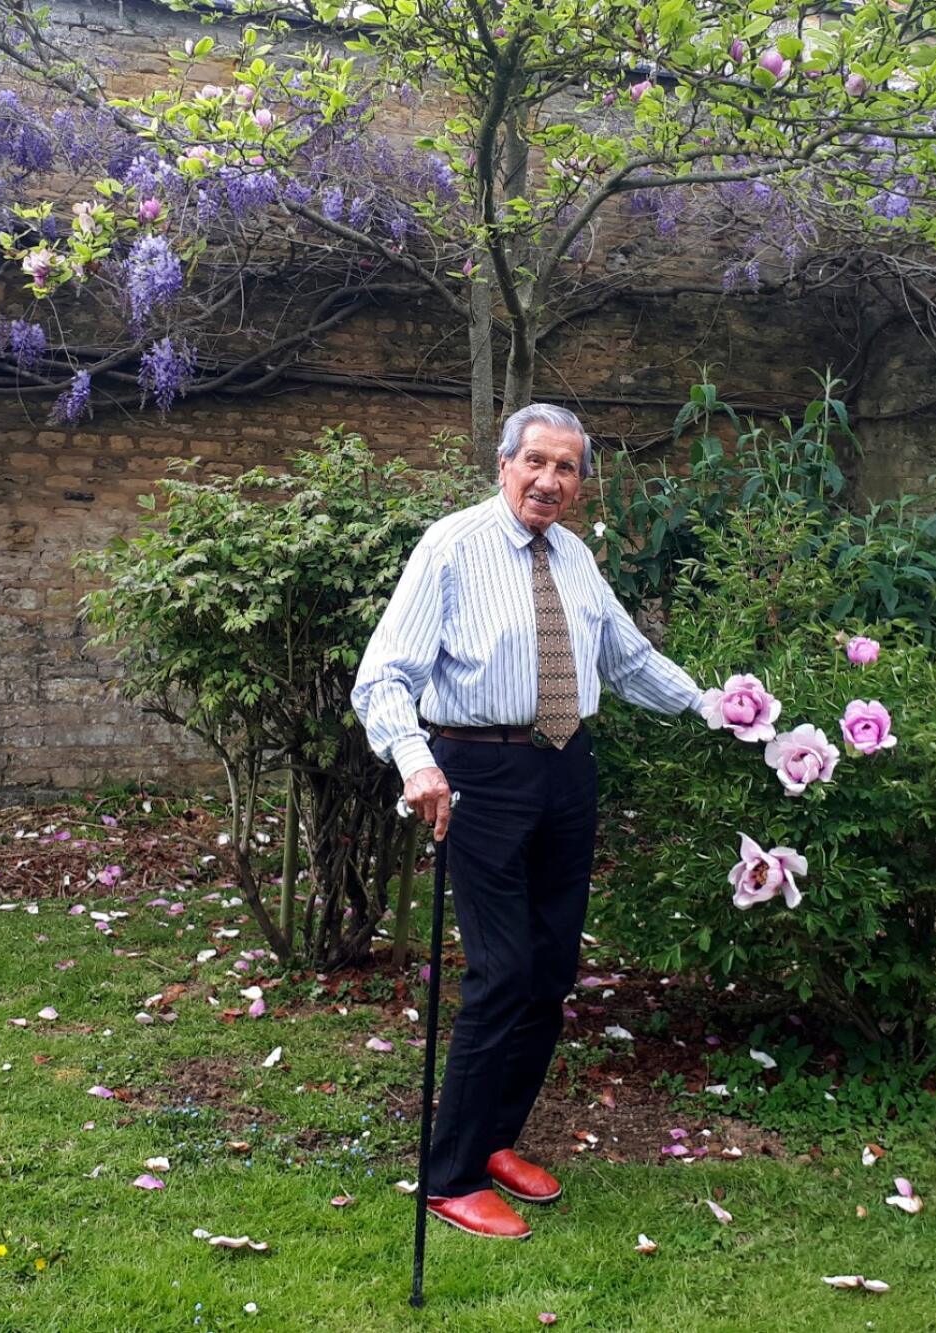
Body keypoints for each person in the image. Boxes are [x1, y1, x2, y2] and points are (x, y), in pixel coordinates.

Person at [351, 403, 703, 1241]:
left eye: (568, 467)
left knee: (549, 970)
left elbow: (627, 658)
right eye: (536, 461)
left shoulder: (574, 556)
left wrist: (715, 707)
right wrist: (415, 761)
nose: (550, 480)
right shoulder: (451, 546)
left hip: (565, 769)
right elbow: (383, 676)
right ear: (504, 464)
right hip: (477, 771)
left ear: (581, 482)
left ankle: (497, 1137)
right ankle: (451, 1174)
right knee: (502, 970)